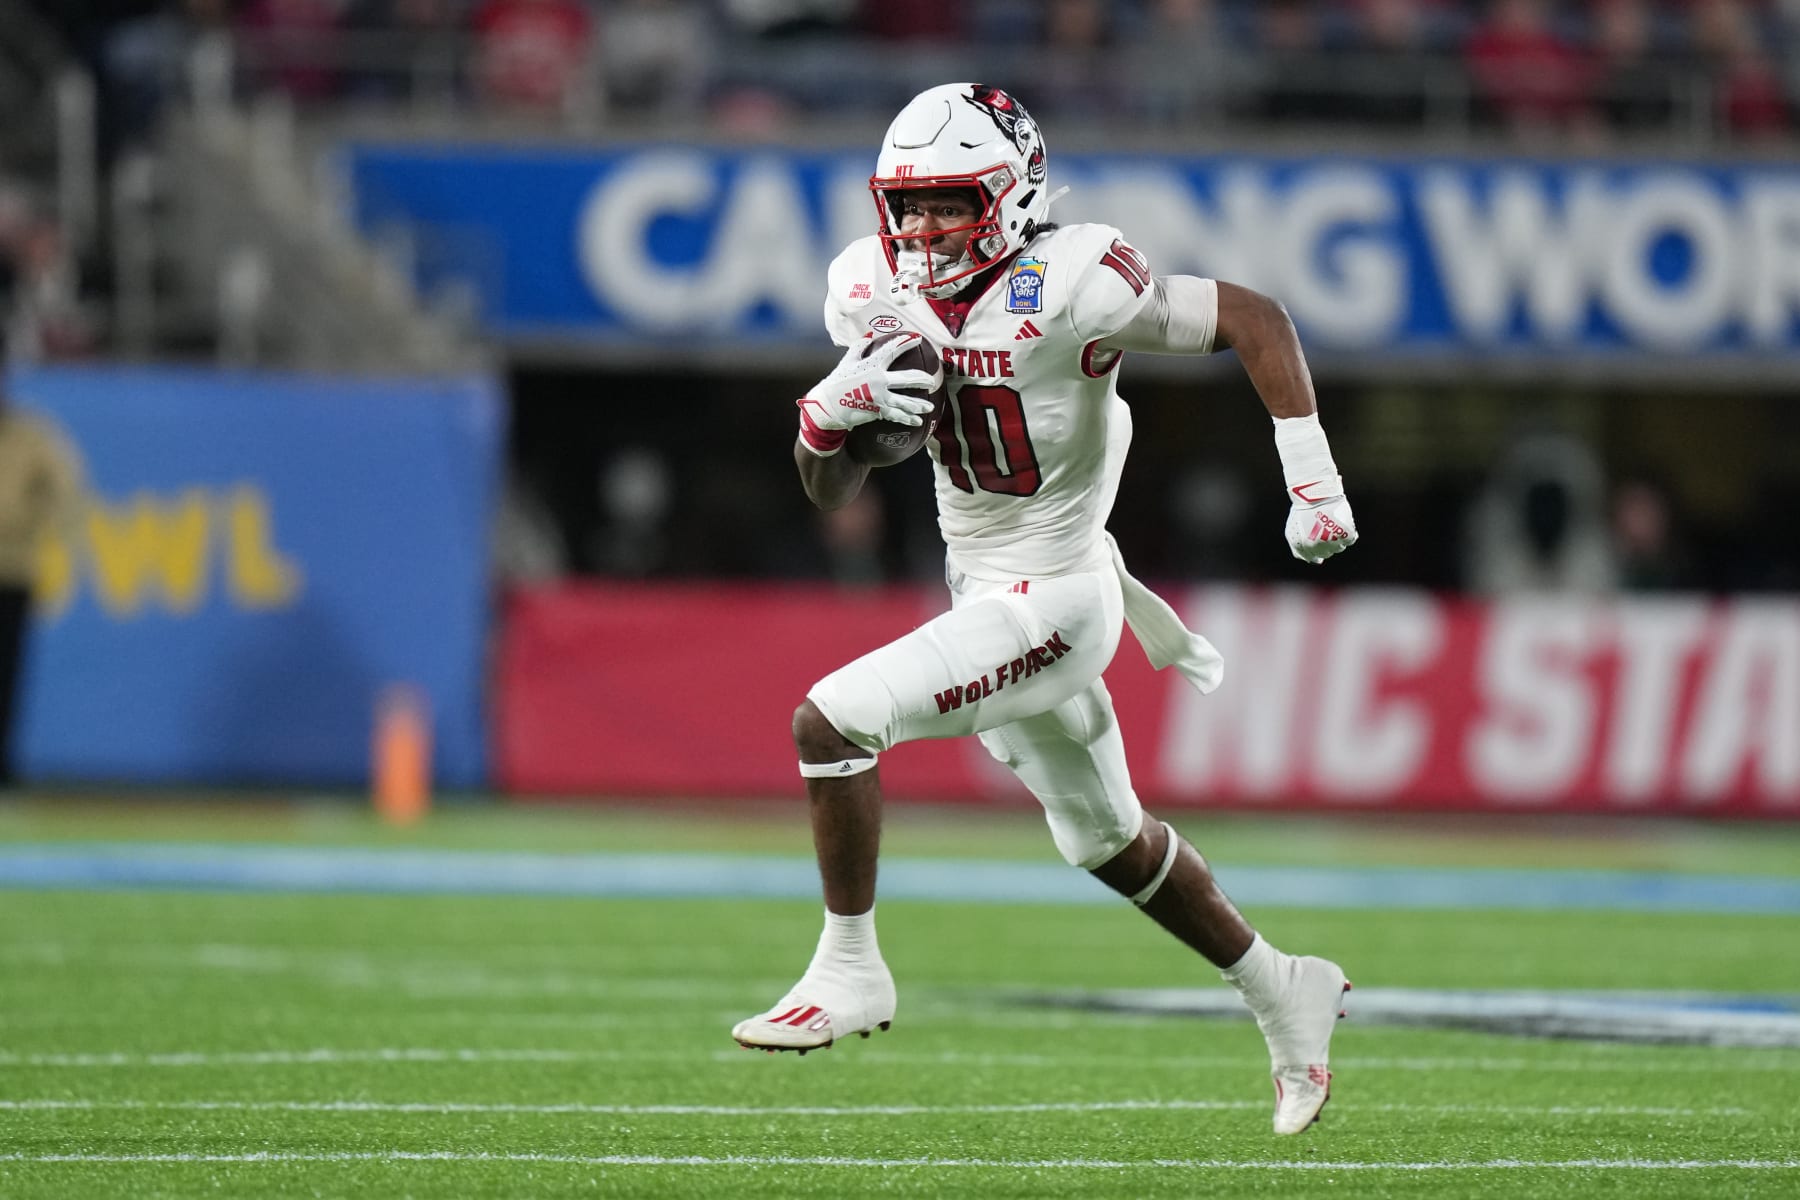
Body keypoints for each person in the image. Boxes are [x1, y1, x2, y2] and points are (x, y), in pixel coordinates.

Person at [730, 83, 1360, 1136]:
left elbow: (1255, 317)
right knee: (1105, 838)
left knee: (831, 719)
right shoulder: (870, 286)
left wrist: (1313, 477)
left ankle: (851, 969)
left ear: (1014, 194)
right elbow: (833, 488)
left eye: (949, 203)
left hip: (1061, 599)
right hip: (983, 590)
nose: (924, 230)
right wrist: (822, 425)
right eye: (910, 204)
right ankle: (1280, 985)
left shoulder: (1075, 280)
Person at [0, 375, 85, 788]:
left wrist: (47, 533)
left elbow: (66, 489)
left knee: (6, 670)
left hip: (13, 569)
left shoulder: (31, 435)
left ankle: (3, 763)